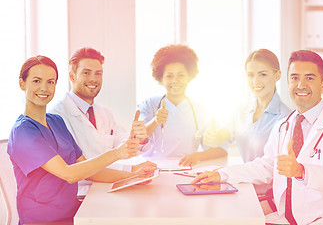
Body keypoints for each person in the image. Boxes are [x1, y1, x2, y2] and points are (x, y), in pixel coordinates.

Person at [193, 50, 323, 224]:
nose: (301, 85)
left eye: (309, 78)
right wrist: (221, 175)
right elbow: (266, 166)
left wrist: (301, 171)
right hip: (289, 218)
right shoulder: (283, 126)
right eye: (295, 78)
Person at [8, 56, 157, 224]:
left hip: (74, 215)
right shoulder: (23, 132)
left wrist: (132, 177)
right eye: (36, 81)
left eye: (50, 82)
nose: (44, 88)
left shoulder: (56, 122)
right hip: (43, 221)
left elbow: (89, 169)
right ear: (22, 84)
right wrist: (116, 154)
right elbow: (69, 174)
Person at [137, 44, 227, 166]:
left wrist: (198, 156)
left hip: (186, 169)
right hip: (151, 169)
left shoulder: (201, 110)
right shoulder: (149, 105)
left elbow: (221, 150)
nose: (175, 80)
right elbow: (138, 138)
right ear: (161, 78)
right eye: (169, 76)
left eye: (181, 75)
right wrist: (156, 121)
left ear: (189, 76)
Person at [51, 47, 148, 159]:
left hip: (114, 175)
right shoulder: (57, 116)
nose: (93, 79)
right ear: (72, 77)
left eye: (98, 73)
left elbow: (122, 143)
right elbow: (72, 166)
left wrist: (139, 138)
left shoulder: (105, 113)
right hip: (84, 177)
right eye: (86, 73)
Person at [203, 49, 291, 163]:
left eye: (263, 74)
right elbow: (223, 135)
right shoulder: (240, 112)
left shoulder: (286, 118)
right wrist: (214, 138)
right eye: (250, 75)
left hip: (270, 180)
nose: (255, 81)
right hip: (244, 178)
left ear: (277, 75)